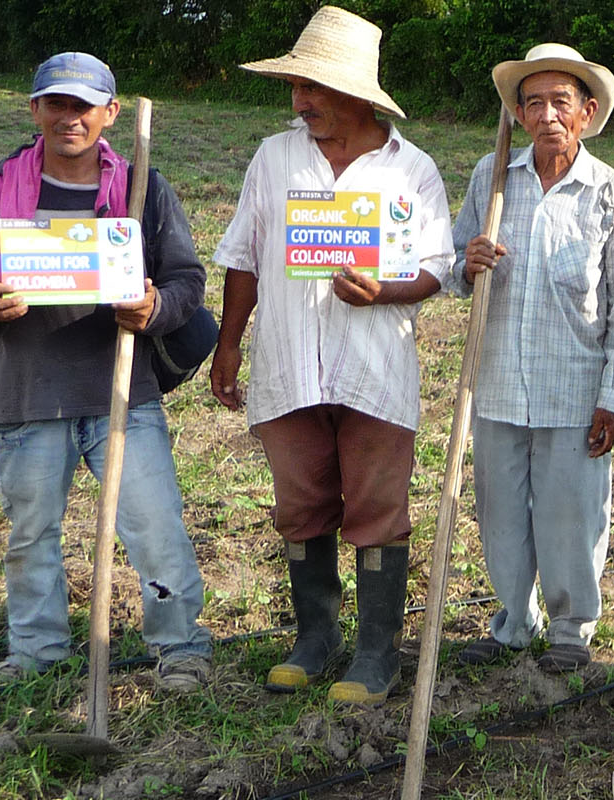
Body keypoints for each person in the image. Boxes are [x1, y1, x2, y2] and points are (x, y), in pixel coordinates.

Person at [0, 51, 213, 695]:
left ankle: (180, 648)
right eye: (56, 104)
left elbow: (186, 280)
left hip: (123, 391)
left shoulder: (141, 189)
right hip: (29, 397)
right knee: (32, 534)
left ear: (110, 113)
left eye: (83, 106)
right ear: (34, 110)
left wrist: (155, 308)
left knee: (155, 526)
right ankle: (35, 652)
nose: (70, 118)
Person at [208, 6, 452, 706]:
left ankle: (377, 652)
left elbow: (435, 268)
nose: (300, 101)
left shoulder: (413, 169)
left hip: (374, 368)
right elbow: (244, 257)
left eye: (313, 88)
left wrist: (383, 294)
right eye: (296, 87)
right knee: (300, 504)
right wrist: (229, 345)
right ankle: (315, 638)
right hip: (288, 362)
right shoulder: (275, 157)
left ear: (360, 94)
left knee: (378, 507)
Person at [446, 44, 614, 674]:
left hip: (574, 386)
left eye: (562, 101)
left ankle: (569, 626)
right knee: (501, 511)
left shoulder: (611, 193)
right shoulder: (492, 176)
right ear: (519, 113)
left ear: (587, 113)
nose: (548, 114)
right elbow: (452, 266)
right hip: (499, 379)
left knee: (571, 513)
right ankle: (513, 619)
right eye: (535, 102)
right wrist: (466, 264)